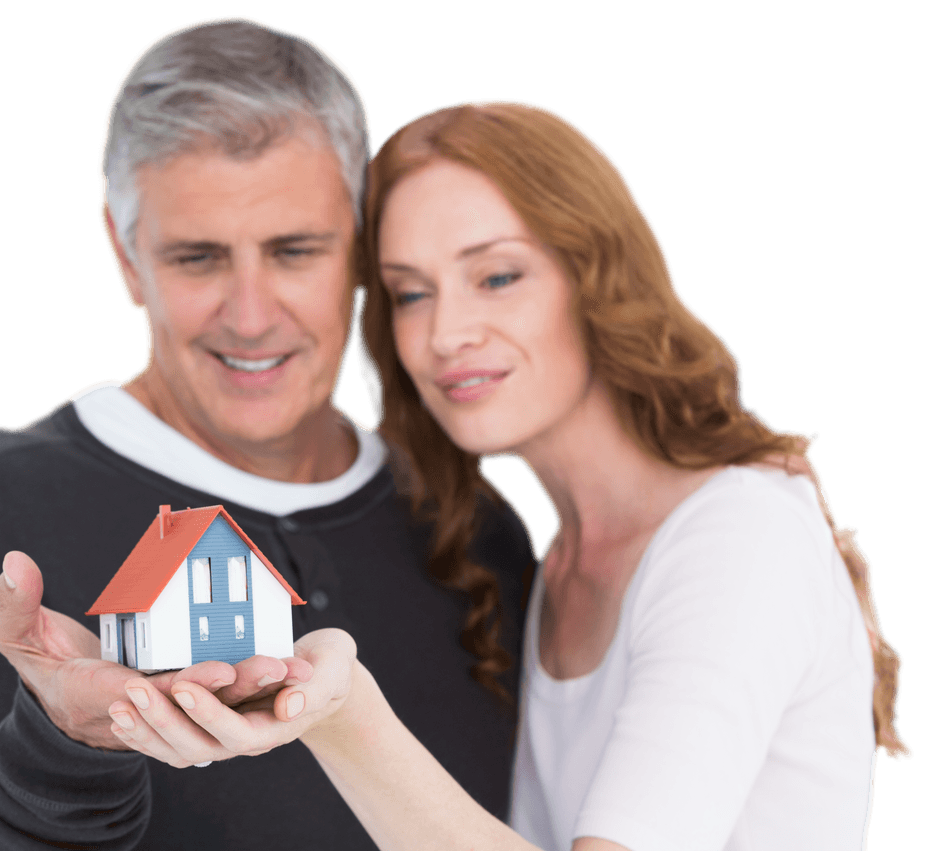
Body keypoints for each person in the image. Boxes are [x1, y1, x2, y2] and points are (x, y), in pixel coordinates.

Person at [105, 101, 911, 851]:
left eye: (496, 276)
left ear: (599, 277)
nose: (445, 332)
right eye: (410, 293)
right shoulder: (552, 562)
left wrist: (344, 717)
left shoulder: (737, 538)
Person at [0, 25, 535, 850]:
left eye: (295, 250)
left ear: (364, 243)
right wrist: (63, 748)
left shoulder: (475, 527)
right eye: (197, 257)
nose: (250, 317)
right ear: (125, 252)